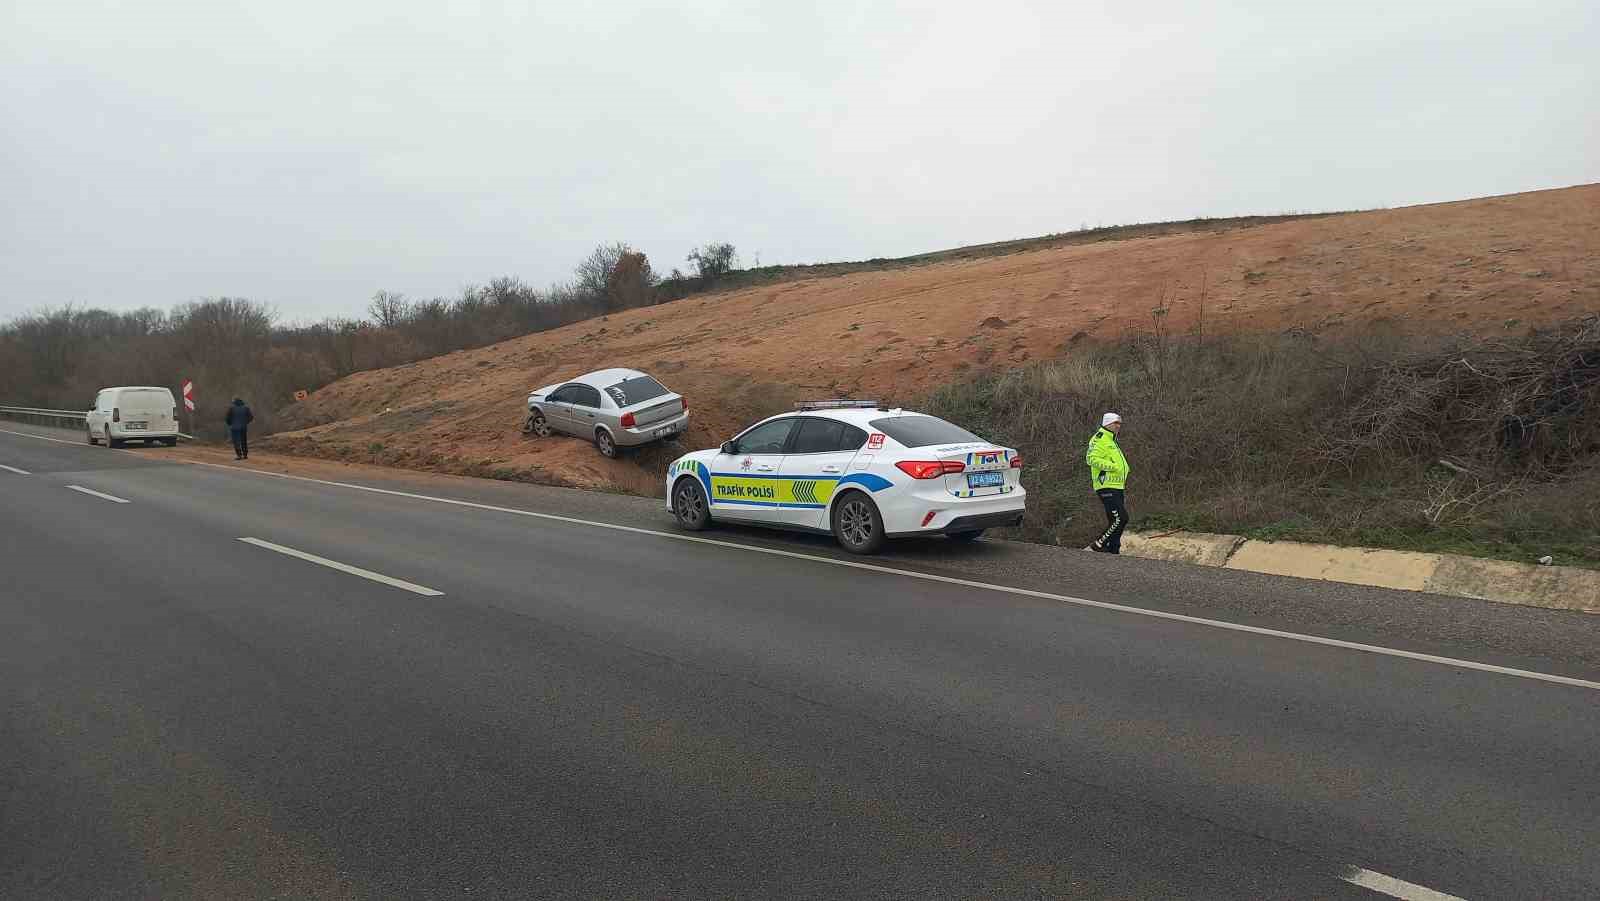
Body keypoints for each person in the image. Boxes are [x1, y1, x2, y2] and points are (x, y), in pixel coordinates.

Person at [1085, 412, 1130, 554]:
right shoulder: (1100, 438)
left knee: (1115, 520)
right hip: (1106, 485)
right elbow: (1091, 458)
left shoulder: (1112, 440)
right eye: (1115, 423)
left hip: (1117, 485)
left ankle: (1113, 551)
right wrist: (1113, 467)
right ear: (1107, 424)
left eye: (1119, 424)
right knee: (1121, 518)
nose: (1118, 426)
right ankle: (1097, 545)